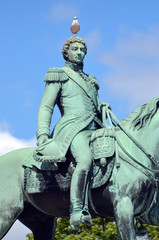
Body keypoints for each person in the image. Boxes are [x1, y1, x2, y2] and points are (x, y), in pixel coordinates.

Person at [36, 36, 106, 227]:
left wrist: (102, 109)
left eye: (82, 50)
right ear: (66, 52)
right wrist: (42, 134)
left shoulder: (91, 80)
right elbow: (46, 107)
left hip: (95, 128)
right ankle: (77, 210)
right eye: (75, 49)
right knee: (84, 160)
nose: (79, 52)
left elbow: (95, 108)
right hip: (73, 128)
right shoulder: (59, 74)